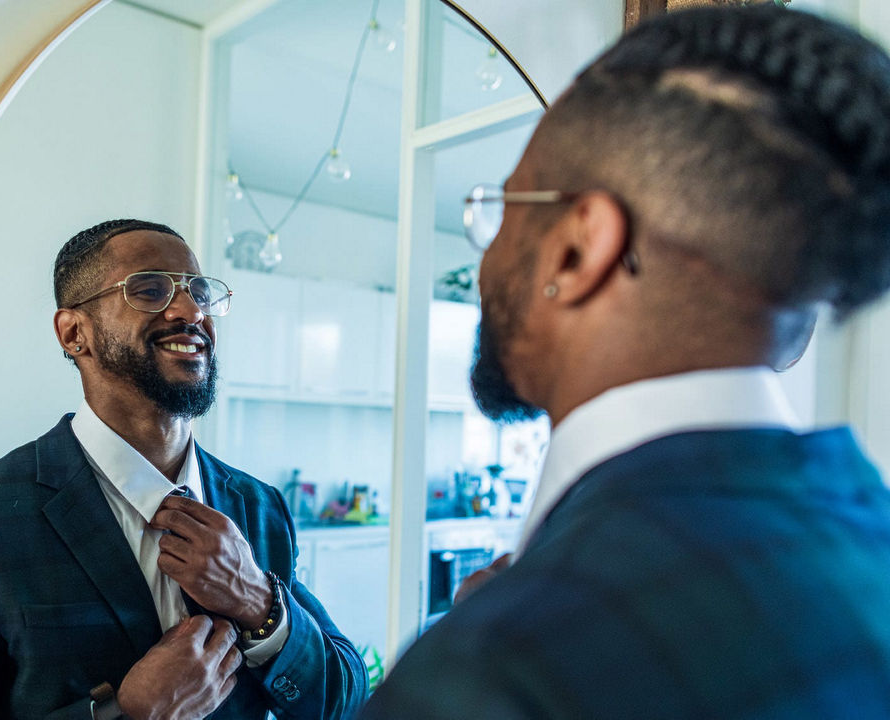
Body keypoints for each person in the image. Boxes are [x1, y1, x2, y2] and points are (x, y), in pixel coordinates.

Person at [362, 6, 890, 719]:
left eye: (502, 209)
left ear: (579, 250)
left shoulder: (496, 669)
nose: (485, 259)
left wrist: (520, 628)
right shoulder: (864, 530)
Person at [0, 219, 366, 720]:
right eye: (150, 290)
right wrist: (126, 713)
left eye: (199, 292)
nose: (190, 310)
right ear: (74, 333)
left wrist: (258, 603)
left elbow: (343, 701)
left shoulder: (259, 507)